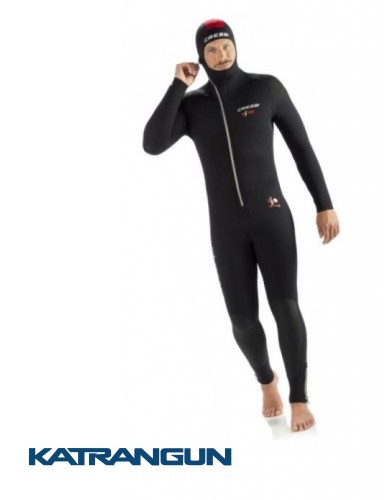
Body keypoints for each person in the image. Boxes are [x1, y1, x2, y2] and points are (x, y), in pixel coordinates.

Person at [143, 19, 340, 432]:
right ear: (201, 56)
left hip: (272, 216)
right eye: (212, 50)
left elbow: (302, 147)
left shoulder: (265, 88)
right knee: (243, 322)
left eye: (226, 46)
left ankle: (299, 398)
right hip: (227, 228)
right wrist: (177, 86)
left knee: (286, 307)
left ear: (236, 46)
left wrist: (324, 205)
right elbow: (153, 144)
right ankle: (267, 381)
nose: (221, 55)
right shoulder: (193, 106)